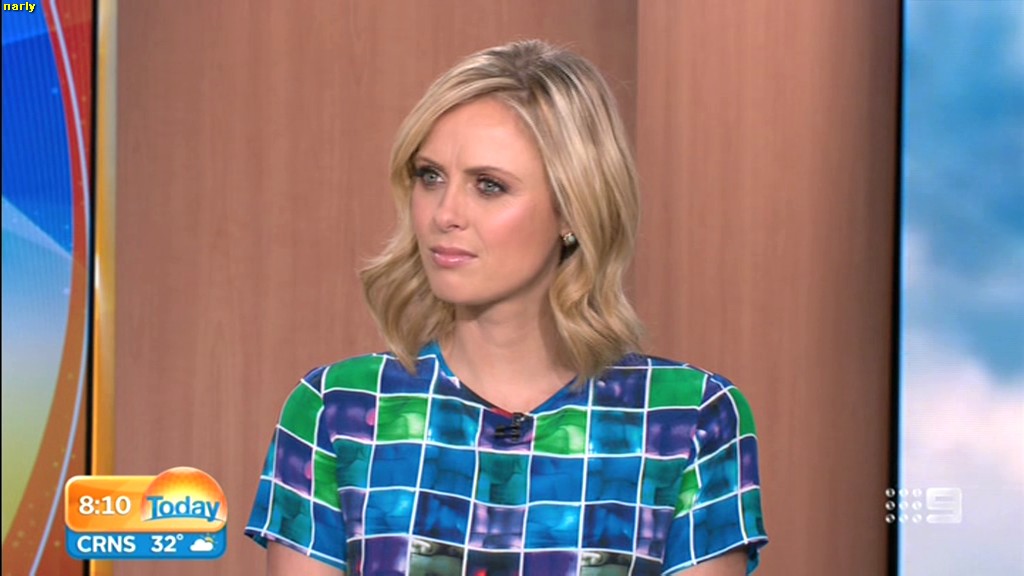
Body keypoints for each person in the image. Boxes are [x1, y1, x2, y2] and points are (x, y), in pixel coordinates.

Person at [245, 39, 768, 576]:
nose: (444, 214)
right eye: (430, 176)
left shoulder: (689, 419)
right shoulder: (339, 410)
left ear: (573, 210)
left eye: (489, 186)